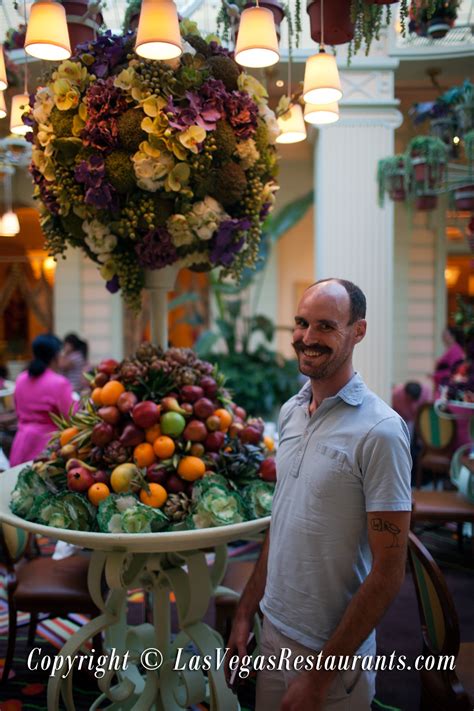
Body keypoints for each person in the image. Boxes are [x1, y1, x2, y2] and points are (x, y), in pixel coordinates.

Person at [227, 278, 412, 711]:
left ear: (358, 331)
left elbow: (389, 572)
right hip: (272, 630)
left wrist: (317, 677)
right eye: (301, 323)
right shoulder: (291, 411)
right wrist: (244, 610)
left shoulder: (380, 432)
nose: (307, 338)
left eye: (325, 326)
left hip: (331, 658)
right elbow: (283, 519)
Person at [9, 334, 75, 467]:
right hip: (45, 451)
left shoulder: (21, 379)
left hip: (20, 446)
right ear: (55, 356)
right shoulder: (59, 383)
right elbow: (72, 417)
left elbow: (16, 409)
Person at [432, 327, 465, 398]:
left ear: (452, 336)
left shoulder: (455, 350)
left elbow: (454, 370)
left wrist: (437, 375)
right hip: (441, 385)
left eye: (445, 334)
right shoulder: (450, 349)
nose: (442, 336)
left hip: (446, 387)